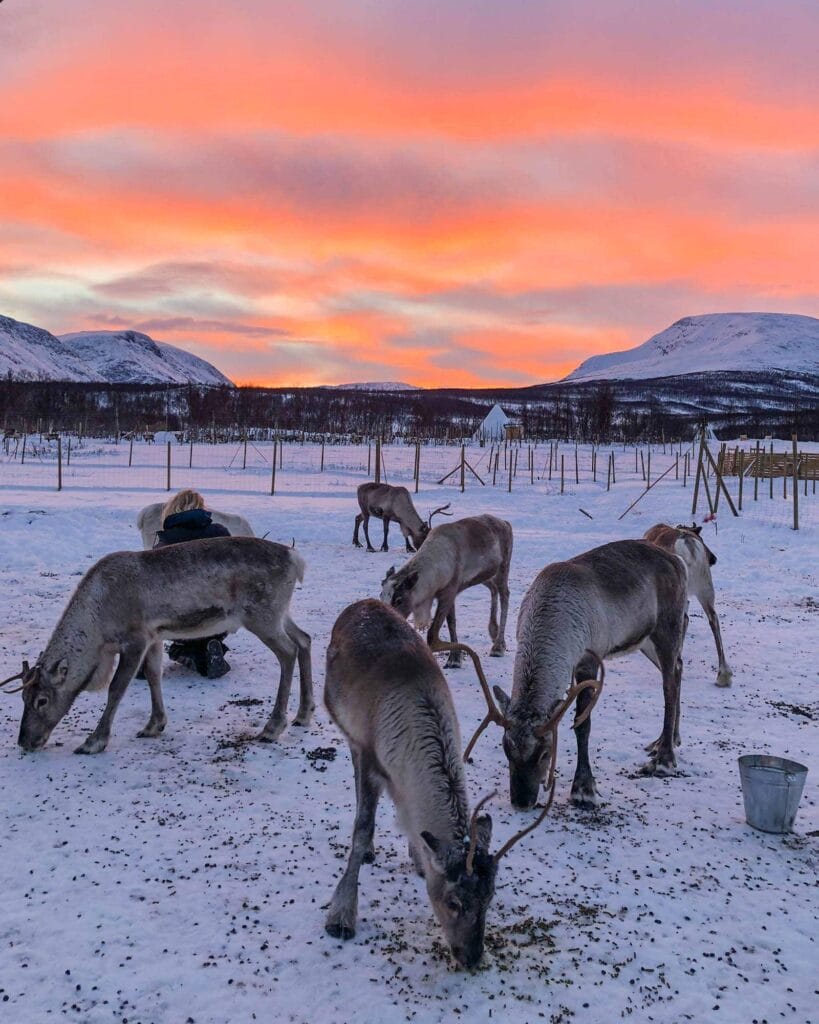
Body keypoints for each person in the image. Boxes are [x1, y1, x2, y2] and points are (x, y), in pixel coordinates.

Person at [153, 489, 232, 679]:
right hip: (220, 616)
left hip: (179, 621)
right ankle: (213, 643)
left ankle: (191, 654)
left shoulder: (164, 543)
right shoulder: (221, 534)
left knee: (178, 643)